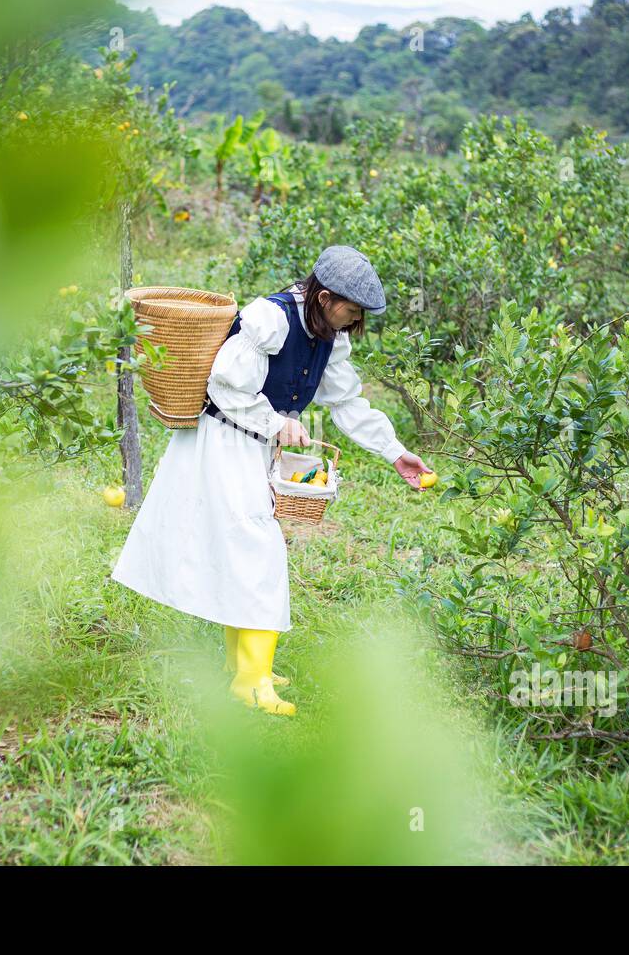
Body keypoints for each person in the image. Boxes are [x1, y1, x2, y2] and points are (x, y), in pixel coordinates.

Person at [110, 246, 431, 716]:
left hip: (253, 445)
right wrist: (276, 421)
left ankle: (241, 665)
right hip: (221, 439)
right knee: (257, 549)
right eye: (352, 309)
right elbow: (224, 383)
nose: (355, 320)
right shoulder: (271, 319)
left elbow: (346, 406)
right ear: (324, 298)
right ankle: (251, 682)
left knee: (243, 548)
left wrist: (395, 452)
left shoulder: (329, 335)